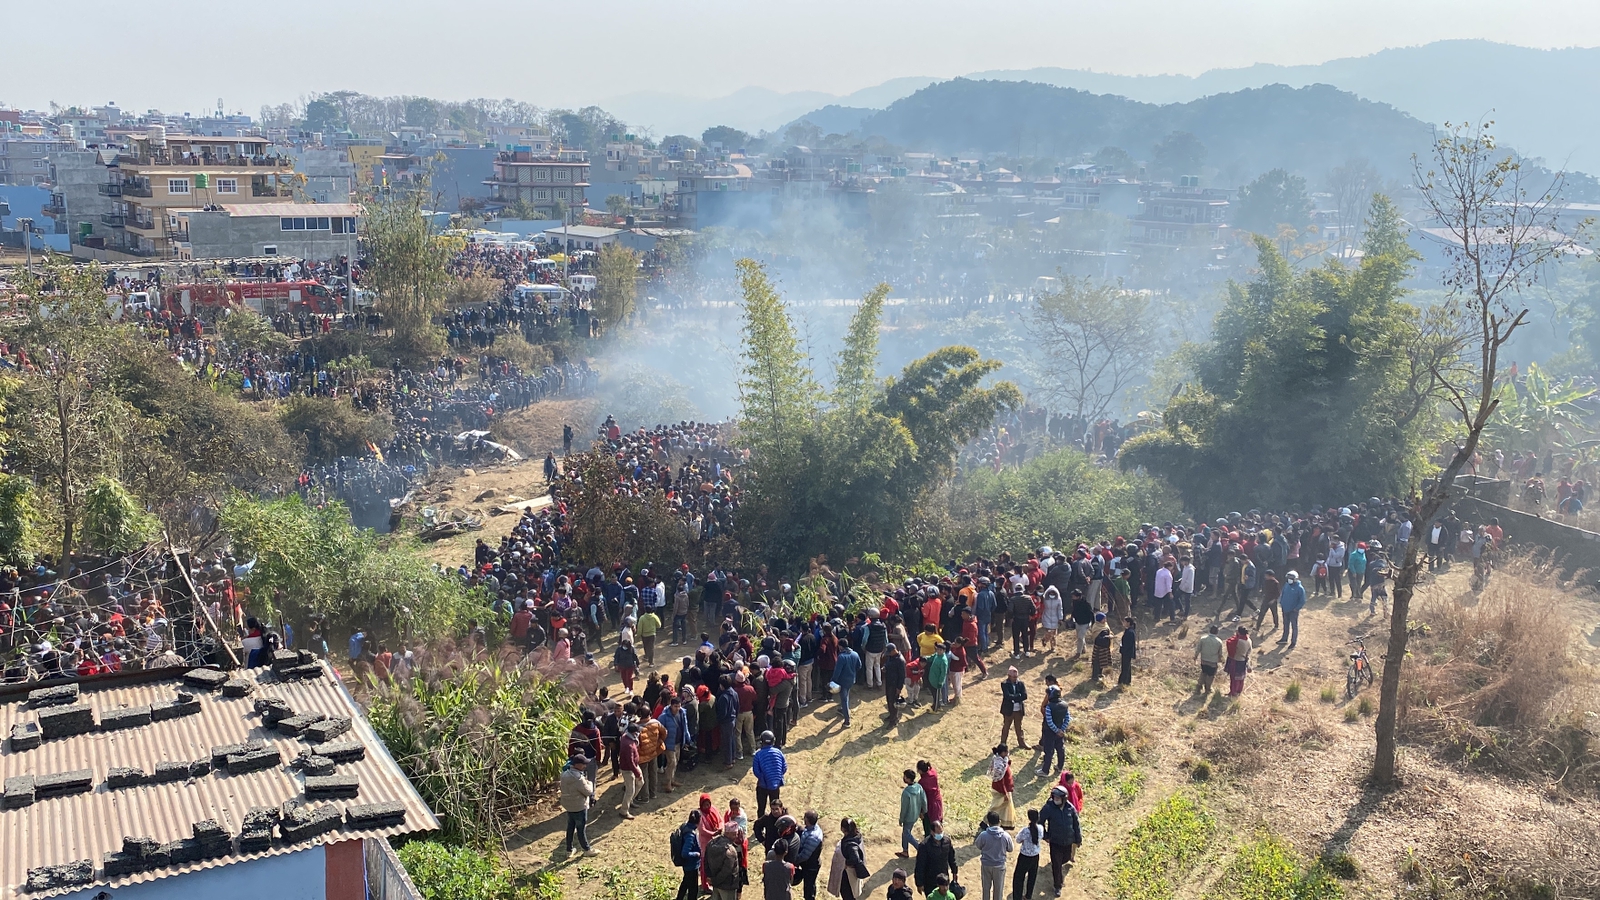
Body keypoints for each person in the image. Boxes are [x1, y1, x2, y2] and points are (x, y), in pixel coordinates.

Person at [1038, 786, 1082, 893]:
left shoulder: (1070, 808)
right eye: (1054, 797)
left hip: (1068, 841)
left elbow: (1076, 824)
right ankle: (1058, 885)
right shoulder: (1048, 807)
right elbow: (1040, 822)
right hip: (1055, 841)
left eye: (1058, 797)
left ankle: (1059, 871)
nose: (1056, 799)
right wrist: (1046, 835)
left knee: (1066, 858)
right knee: (1056, 864)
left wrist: (1078, 839)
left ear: (1064, 798)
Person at [559, 751, 597, 856]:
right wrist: (589, 782)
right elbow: (589, 791)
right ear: (577, 765)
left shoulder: (565, 774)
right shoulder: (578, 778)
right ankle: (587, 850)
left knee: (570, 827)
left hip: (569, 805)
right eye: (584, 764)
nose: (585, 765)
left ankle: (569, 850)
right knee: (581, 829)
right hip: (579, 806)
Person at [974, 811, 1015, 900]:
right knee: (998, 890)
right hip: (999, 866)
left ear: (988, 823)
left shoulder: (983, 835)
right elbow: (1011, 849)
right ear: (999, 822)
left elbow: (978, 845)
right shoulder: (1005, 836)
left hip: (986, 865)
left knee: (986, 888)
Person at [829, 818, 870, 900]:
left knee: (848, 895)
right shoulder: (857, 836)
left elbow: (855, 859)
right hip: (852, 875)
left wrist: (846, 863)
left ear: (843, 829)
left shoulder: (850, 844)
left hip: (848, 875)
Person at [913, 821, 958, 897]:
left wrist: (954, 872)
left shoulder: (947, 841)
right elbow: (920, 866)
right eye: (938, 833)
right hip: (930, 881)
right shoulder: (924, 846)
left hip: (944, 879)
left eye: (941, 832)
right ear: (932, 832)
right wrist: (919, 883)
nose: (940, 834)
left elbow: (951, 858)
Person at [708, 821, 747, 900]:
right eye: (735, 834)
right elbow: (726, 871)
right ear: (729, 834)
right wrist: (716, 881)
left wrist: (710, 878)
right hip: (727, 886)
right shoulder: (731, 851)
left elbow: (705, 862)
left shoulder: (711, 843)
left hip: (715, 884)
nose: (736, 836)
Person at [1037, 685, 1069, 778]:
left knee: (1049, 751)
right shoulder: (1065, 705)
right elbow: (1067, 718)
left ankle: (1045, 770)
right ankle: (1059, 766)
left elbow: (1049, 721)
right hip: (1060, 731)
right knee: (1060, 749)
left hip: (1050, 732)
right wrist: (1061, 730)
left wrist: (1056, 730)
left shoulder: (1049, 707)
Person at [753, 731, 788, 817]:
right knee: (776, 809)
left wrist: (763, 778)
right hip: (775, 786)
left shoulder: (758, 754)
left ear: (761, 742)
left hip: (762, 785)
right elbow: (784, 767)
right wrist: (776, 778)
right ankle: (776, 827)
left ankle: (760, 828)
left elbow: (756, 771)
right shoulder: (779, 752)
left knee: (761, 808)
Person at [794, 811, 826, 900]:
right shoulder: (813, 828)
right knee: (811, 885)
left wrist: (793, 861)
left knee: (809, 889)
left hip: (810, 867)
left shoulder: (813, 837)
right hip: (809, 864)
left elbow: (804, 856)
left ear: (807, 820)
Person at [675, 810, 705, 900]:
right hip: (691, 866)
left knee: (685, 882)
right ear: (698, 821)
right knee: (693, 890)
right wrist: (696, 854)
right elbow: (685, 853)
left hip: (687, 866)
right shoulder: (690, 835)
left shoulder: (685, 826)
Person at [1012, 809, 1041, 900]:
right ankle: (1028, 896)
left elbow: (1018, 840)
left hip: (1024, 857)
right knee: (1032, 877)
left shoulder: (1025, 830)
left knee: (1019, 878)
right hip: (1035, 856)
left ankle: (1017, 897)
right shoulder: (1041, 828)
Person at [898, 769, 928, 858]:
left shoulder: (906, 792)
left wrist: (901, 819)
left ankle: (920, 848)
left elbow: (904, 809)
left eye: (905, 777)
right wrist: (923, 812)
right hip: (915, 815)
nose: (903, 778)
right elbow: (924, 800)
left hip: (908, 817)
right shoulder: (919, 787)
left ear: (908, 779)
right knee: (905, 832)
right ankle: (905, 851)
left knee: (907, 833)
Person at [833, 638, 862, 727]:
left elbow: (837, 672)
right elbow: (859, 666)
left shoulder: (841, 657)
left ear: (840, 646)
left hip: (842, 681)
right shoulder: (855, 654)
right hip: (851, 679)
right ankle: (843, 710)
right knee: (846, 696)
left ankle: (847, 720)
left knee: (844, 699)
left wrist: (833, 681)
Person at [998, 666, 1029, 749]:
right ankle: (1003, 744)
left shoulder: (1021, 683)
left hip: (1018, 710)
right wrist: (1018, 696)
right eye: (1014, 677)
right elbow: (1007, 696)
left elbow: (1025, 696)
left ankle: (1022, 743)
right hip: (1008, 710)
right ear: (1009, 676)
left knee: (1019, 727)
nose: (1016, 678)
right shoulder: (1004, 684)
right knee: (1006, 727)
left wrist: (1014, 698)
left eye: (1016, 677)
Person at [988, 744, 1016, 829]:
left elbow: (1006, 767)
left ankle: (1005, 823)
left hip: (1005, 789)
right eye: (1007, 751)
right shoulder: (998, 765)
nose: (1008, 753)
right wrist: (1005, 793)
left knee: (1005, 807)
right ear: (1003, 753)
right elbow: (1001, 781)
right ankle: (986, 821)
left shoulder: (1002, 760)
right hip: (1000, 789)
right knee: (997, 806)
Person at [1277, 570, 1307, 650]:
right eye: (1288, 578)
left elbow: (1302, 600)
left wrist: (1296, 608)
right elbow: (1282, 593)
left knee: (1294, 626)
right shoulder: (1286, 585)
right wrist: (1281, 602)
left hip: (1293, 611)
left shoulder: (1300, 588)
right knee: (1285, 625)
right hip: (1285, 608)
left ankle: (1293, 642)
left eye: (1291, 578)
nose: (1289, 579)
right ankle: (1284, 639)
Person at [619, 723, 644, 818]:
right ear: (634, 733)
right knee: (630, 790)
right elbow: (630, 762)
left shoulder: (626, 737)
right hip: (628, 769)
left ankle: (630, 801)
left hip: (634, 766)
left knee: (640, 783)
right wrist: (637, 773)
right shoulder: (628, 745)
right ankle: (624, 811)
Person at [1195, 624, 1225, 694]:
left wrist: (1195, 656)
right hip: (1213, 662)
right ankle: (1208, 689)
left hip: (1204, 660)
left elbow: (1198, 649)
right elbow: (1220, 653)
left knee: (1203, 673)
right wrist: (1222, 660)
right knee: (1210, 675)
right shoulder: (1219, 642)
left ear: (1210, 631)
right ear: (1217, 632)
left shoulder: (1203, 639)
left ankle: (1199, 686)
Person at [917, 760, 944, 837]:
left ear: (920, 771)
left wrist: (921, 811)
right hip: (937, 801)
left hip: (929, 804)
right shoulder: (933, 773)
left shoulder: (922, 782)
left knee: (928, 826)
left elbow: (921, 798)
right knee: (938, 821)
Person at [1224, 626, 1253, 696]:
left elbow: (1229, 642)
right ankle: (1238, 691)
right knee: (1241, 678)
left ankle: (1233, 692)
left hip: (1236, 661)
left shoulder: (1237, 641)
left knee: (1234, 678)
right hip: (1243, 661)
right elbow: (1249, 651)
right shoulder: (1249, 640)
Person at [884, 643, 907, 727]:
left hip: (895, 684)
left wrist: (899, 687)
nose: (888, 654)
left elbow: (902, 675)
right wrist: (885, 667)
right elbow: (887, 664)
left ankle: (893, 720)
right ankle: (891, 715)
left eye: (889, 652)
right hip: (889, 682)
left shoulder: (900, 660)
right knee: (889, 700)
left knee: (893, 702)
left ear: (894, 650)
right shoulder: (890, 657)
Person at [1090, 613, 1113, 681]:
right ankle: (1095, 676)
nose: (1105, 620)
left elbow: (1109, 631)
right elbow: (1097, 639)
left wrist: (1110, 635)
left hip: (1105, 648)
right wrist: (1106, 637)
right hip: (1099, 648)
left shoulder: (1105, 625)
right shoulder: (1096, 627)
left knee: (1103, 662)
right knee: (1097, 662)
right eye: (1103, 619)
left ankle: (1100, 673)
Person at [1117, 616, 1138, 687]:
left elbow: (1128, 644)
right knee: (1127, 667)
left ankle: (1122, 682)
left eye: (1125, 621)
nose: (1123, 623)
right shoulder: (1129, 630)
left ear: (1128, 623)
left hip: (1127, 652)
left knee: (1125, 667)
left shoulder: (1130, 632)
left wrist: (1123, 649)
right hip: (1127, 652)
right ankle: (1127, 681)